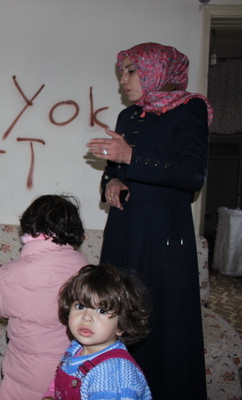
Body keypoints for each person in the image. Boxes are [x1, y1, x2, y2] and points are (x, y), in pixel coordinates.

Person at [86, 42, 213, 400]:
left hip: (163, 240)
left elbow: (193, 175)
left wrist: (132, 156)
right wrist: (111, 180)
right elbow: (114, 169)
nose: (123, 80)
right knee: (115, 315)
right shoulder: (128, 117)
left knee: (161, 325)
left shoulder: (189, 109)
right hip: (123, 232)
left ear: (158, 71)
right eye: (121, 73)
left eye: (131, 71)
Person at [0, 194, 89, 400]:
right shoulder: (86, 273)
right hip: (71, 372)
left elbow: (1, 311)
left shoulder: (7, 273)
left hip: (22, 372)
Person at [42, 264, 152, 400]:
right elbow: (58, 385)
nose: (86, 317)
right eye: (80, 306)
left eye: (102, 311)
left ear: (122, 325)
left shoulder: (113, 375)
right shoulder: (75, 348)